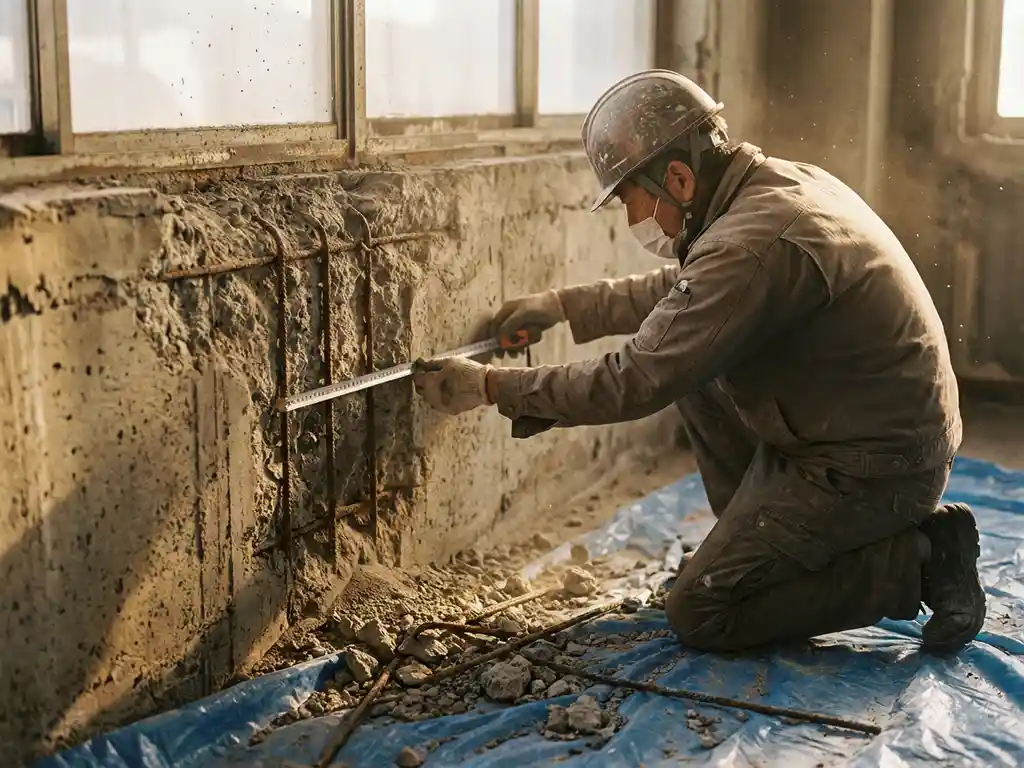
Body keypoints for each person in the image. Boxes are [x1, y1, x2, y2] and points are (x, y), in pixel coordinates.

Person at [412, 70, 985, 654]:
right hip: (854, 426)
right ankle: (755, 548)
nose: (631, 218)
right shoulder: (769, 189)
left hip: (873, 465)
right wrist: (563, 306)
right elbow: (691, 293)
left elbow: (636, 379)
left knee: (702, 611)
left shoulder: (752, 240)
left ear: (679, 178)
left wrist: (491, 387)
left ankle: (919, 561)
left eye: (631, 202)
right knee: (693, 363)